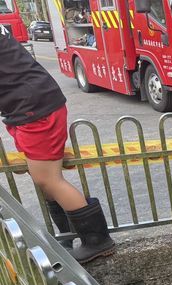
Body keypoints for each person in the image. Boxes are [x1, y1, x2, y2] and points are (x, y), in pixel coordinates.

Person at [0, 24, 114, 263]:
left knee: (48, 179)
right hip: (26, 105)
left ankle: (97, 240)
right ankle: (66, 234)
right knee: (42, 179)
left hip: (33, 106)